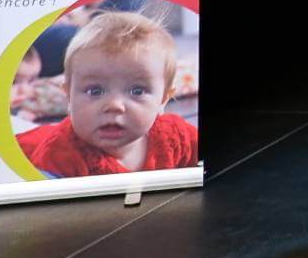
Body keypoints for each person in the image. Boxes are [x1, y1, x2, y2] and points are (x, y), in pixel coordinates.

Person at [14, 11, 199, 176]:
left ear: (163, 99)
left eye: (137, 91)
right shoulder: (57, 157)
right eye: (95, 91)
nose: (114, 105)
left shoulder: (177, 137)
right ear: (69, 95)